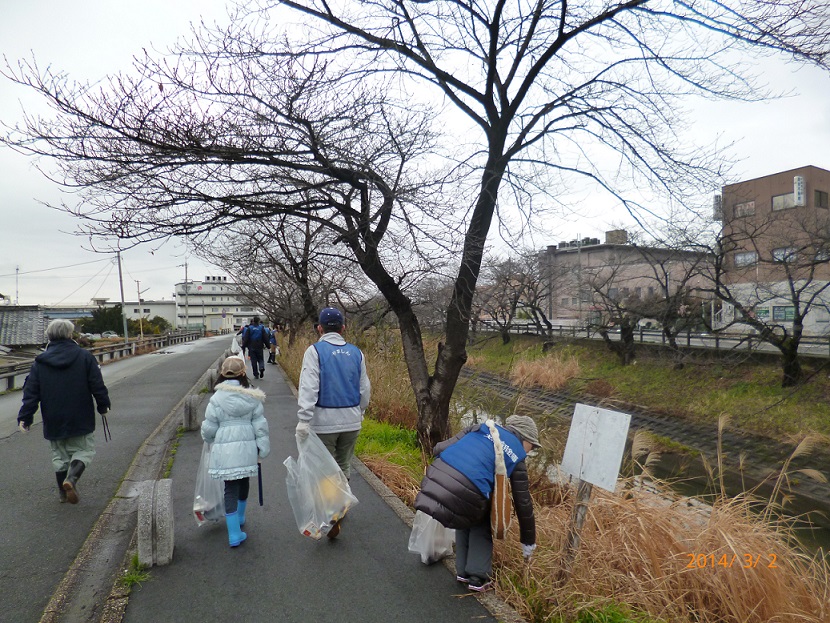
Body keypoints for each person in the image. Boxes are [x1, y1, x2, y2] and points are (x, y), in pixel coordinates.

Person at [414, 415, 540, 592]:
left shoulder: (480, 427)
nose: (529, 451)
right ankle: (478, 577)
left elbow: (438, 448)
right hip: (465, 489)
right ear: (523, 437)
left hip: (435, 477)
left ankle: (463, 572)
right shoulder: (517, 454)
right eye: (532, 446)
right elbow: (523, 503)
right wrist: (528, 542)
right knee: (481, 518)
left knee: (468, 510)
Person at [17, 319, 111, 504]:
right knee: (83, 450)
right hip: (80, 413)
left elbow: (31, 392)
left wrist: (25, 418)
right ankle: (72, 479)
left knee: (59, 456)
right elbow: (97, 385)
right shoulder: (84, 357)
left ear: (49, 336)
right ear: (70, 334)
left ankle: (62, 493)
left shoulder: (40, 362)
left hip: (52, 415)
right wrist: (103, 405)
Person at [295, 307, 370, 538]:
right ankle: (341, 507)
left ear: (320, 328)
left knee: (326, 470)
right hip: (351, 420)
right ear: (343, 328)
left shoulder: (315, 351)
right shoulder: (357, 353)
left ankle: (333, 512)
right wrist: (361, 410)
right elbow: (364, 388)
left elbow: (309, 386)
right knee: (344, 465)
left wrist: (303, 419)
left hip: (324, 421)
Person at [201, 356, 270, 548]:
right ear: (243, 373)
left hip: (225, 448)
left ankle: (233, 533)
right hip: (247, 447)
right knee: (244, 480)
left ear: (222, 374)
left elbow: (209, 428)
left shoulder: (216, 399)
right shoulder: (252, 397)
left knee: (229, 488)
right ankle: (240, 517)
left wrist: (208, 439)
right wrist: (263, 448)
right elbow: (260, 425)